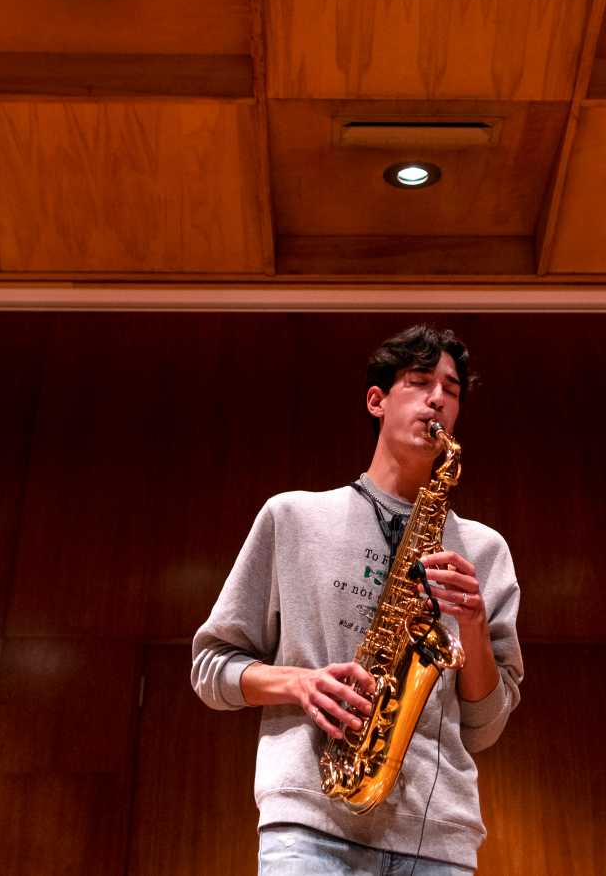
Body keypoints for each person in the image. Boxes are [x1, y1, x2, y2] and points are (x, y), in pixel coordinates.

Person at [190, 325, 525, 874]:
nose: (437, 398)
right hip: (311, 826)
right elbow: (210, 668)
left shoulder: (485, 552)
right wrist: (298, 682)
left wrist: (473, 622)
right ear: (377, 400)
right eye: (419, 382)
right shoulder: (293, 518)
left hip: (438, 838)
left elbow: (485, 727)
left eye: (452, 390)